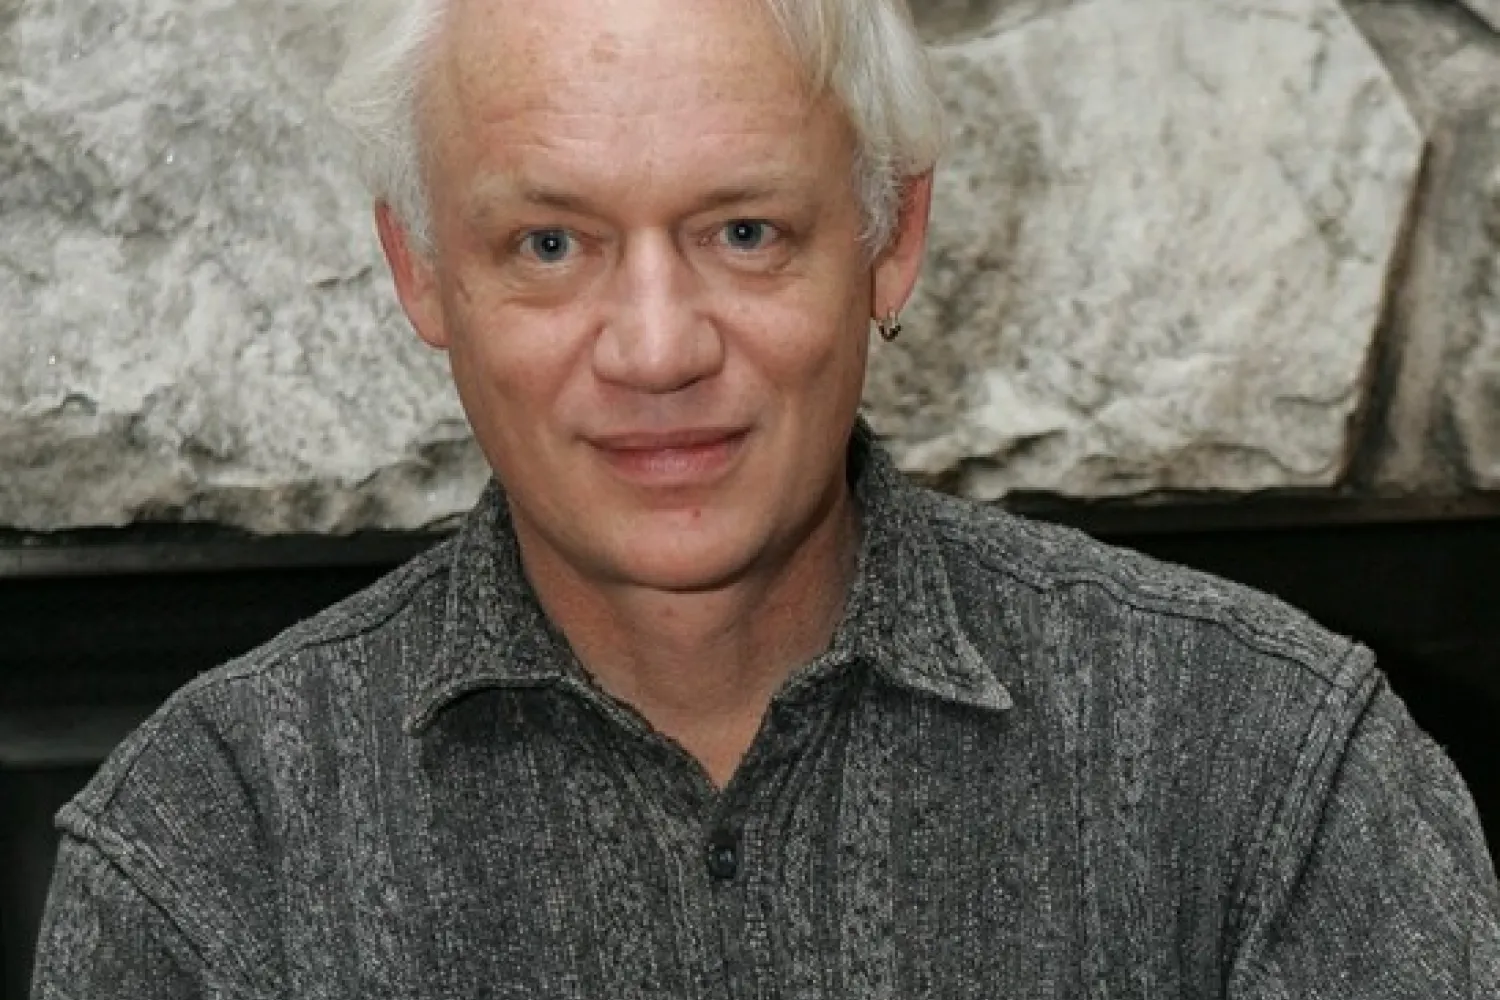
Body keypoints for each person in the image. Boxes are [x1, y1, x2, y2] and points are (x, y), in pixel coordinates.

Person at [30, 0, 1500, 995]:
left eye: (745, 230)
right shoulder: (204, 848)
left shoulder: (1267, 768)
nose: (659, 349)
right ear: (422, 271)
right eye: (550, 243)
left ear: (891, 237)